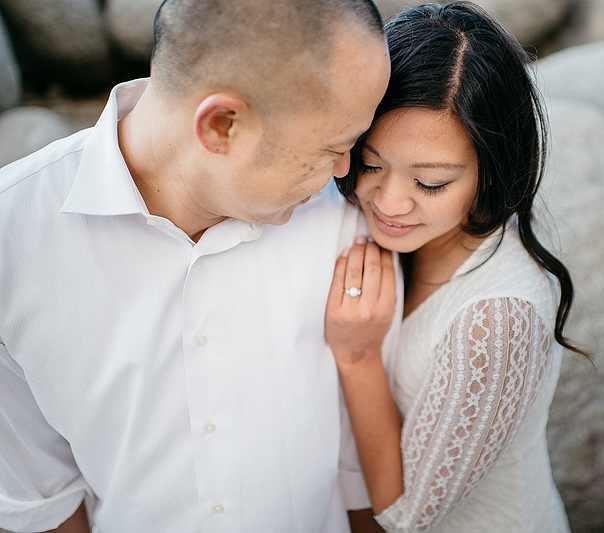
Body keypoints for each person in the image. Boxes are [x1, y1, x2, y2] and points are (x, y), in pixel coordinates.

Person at [0, 0, 396, 531]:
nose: (346, 170)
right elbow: (38, 496)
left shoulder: (342, 217)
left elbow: (361, 470)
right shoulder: (13, 240)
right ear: (221, 125)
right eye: (333, 147)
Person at [325, 2, 591, 531]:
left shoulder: (498, 320)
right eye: (370, 163)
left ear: (490, 174)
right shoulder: (373, 226)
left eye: (431, 183)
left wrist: (357, 357)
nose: (390, 202)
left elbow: (405, 518)